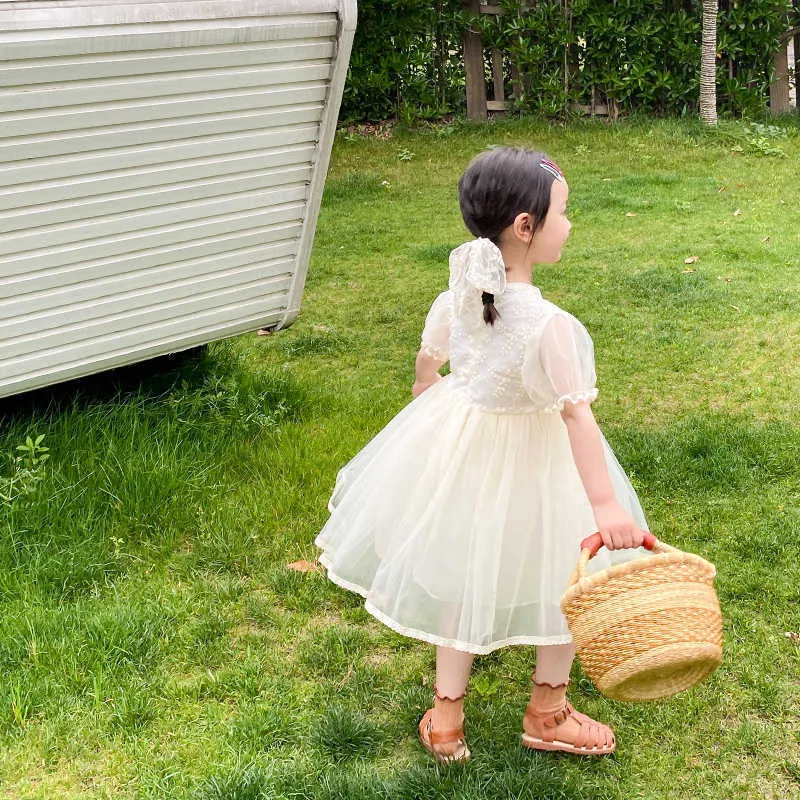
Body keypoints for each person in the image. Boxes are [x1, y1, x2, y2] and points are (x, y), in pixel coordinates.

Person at [315, 147, 648, 762]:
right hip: (539, 464)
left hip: (464, 452)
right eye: (564, 214)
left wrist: (431, 397)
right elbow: (577, 413)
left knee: (463, 575)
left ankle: (446, 721)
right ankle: (547, 711)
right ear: (526, 226)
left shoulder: (461, 297)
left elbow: (426, 366)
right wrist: (605, 506)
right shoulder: (550, 325)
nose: (570, 226)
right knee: (562, 575)